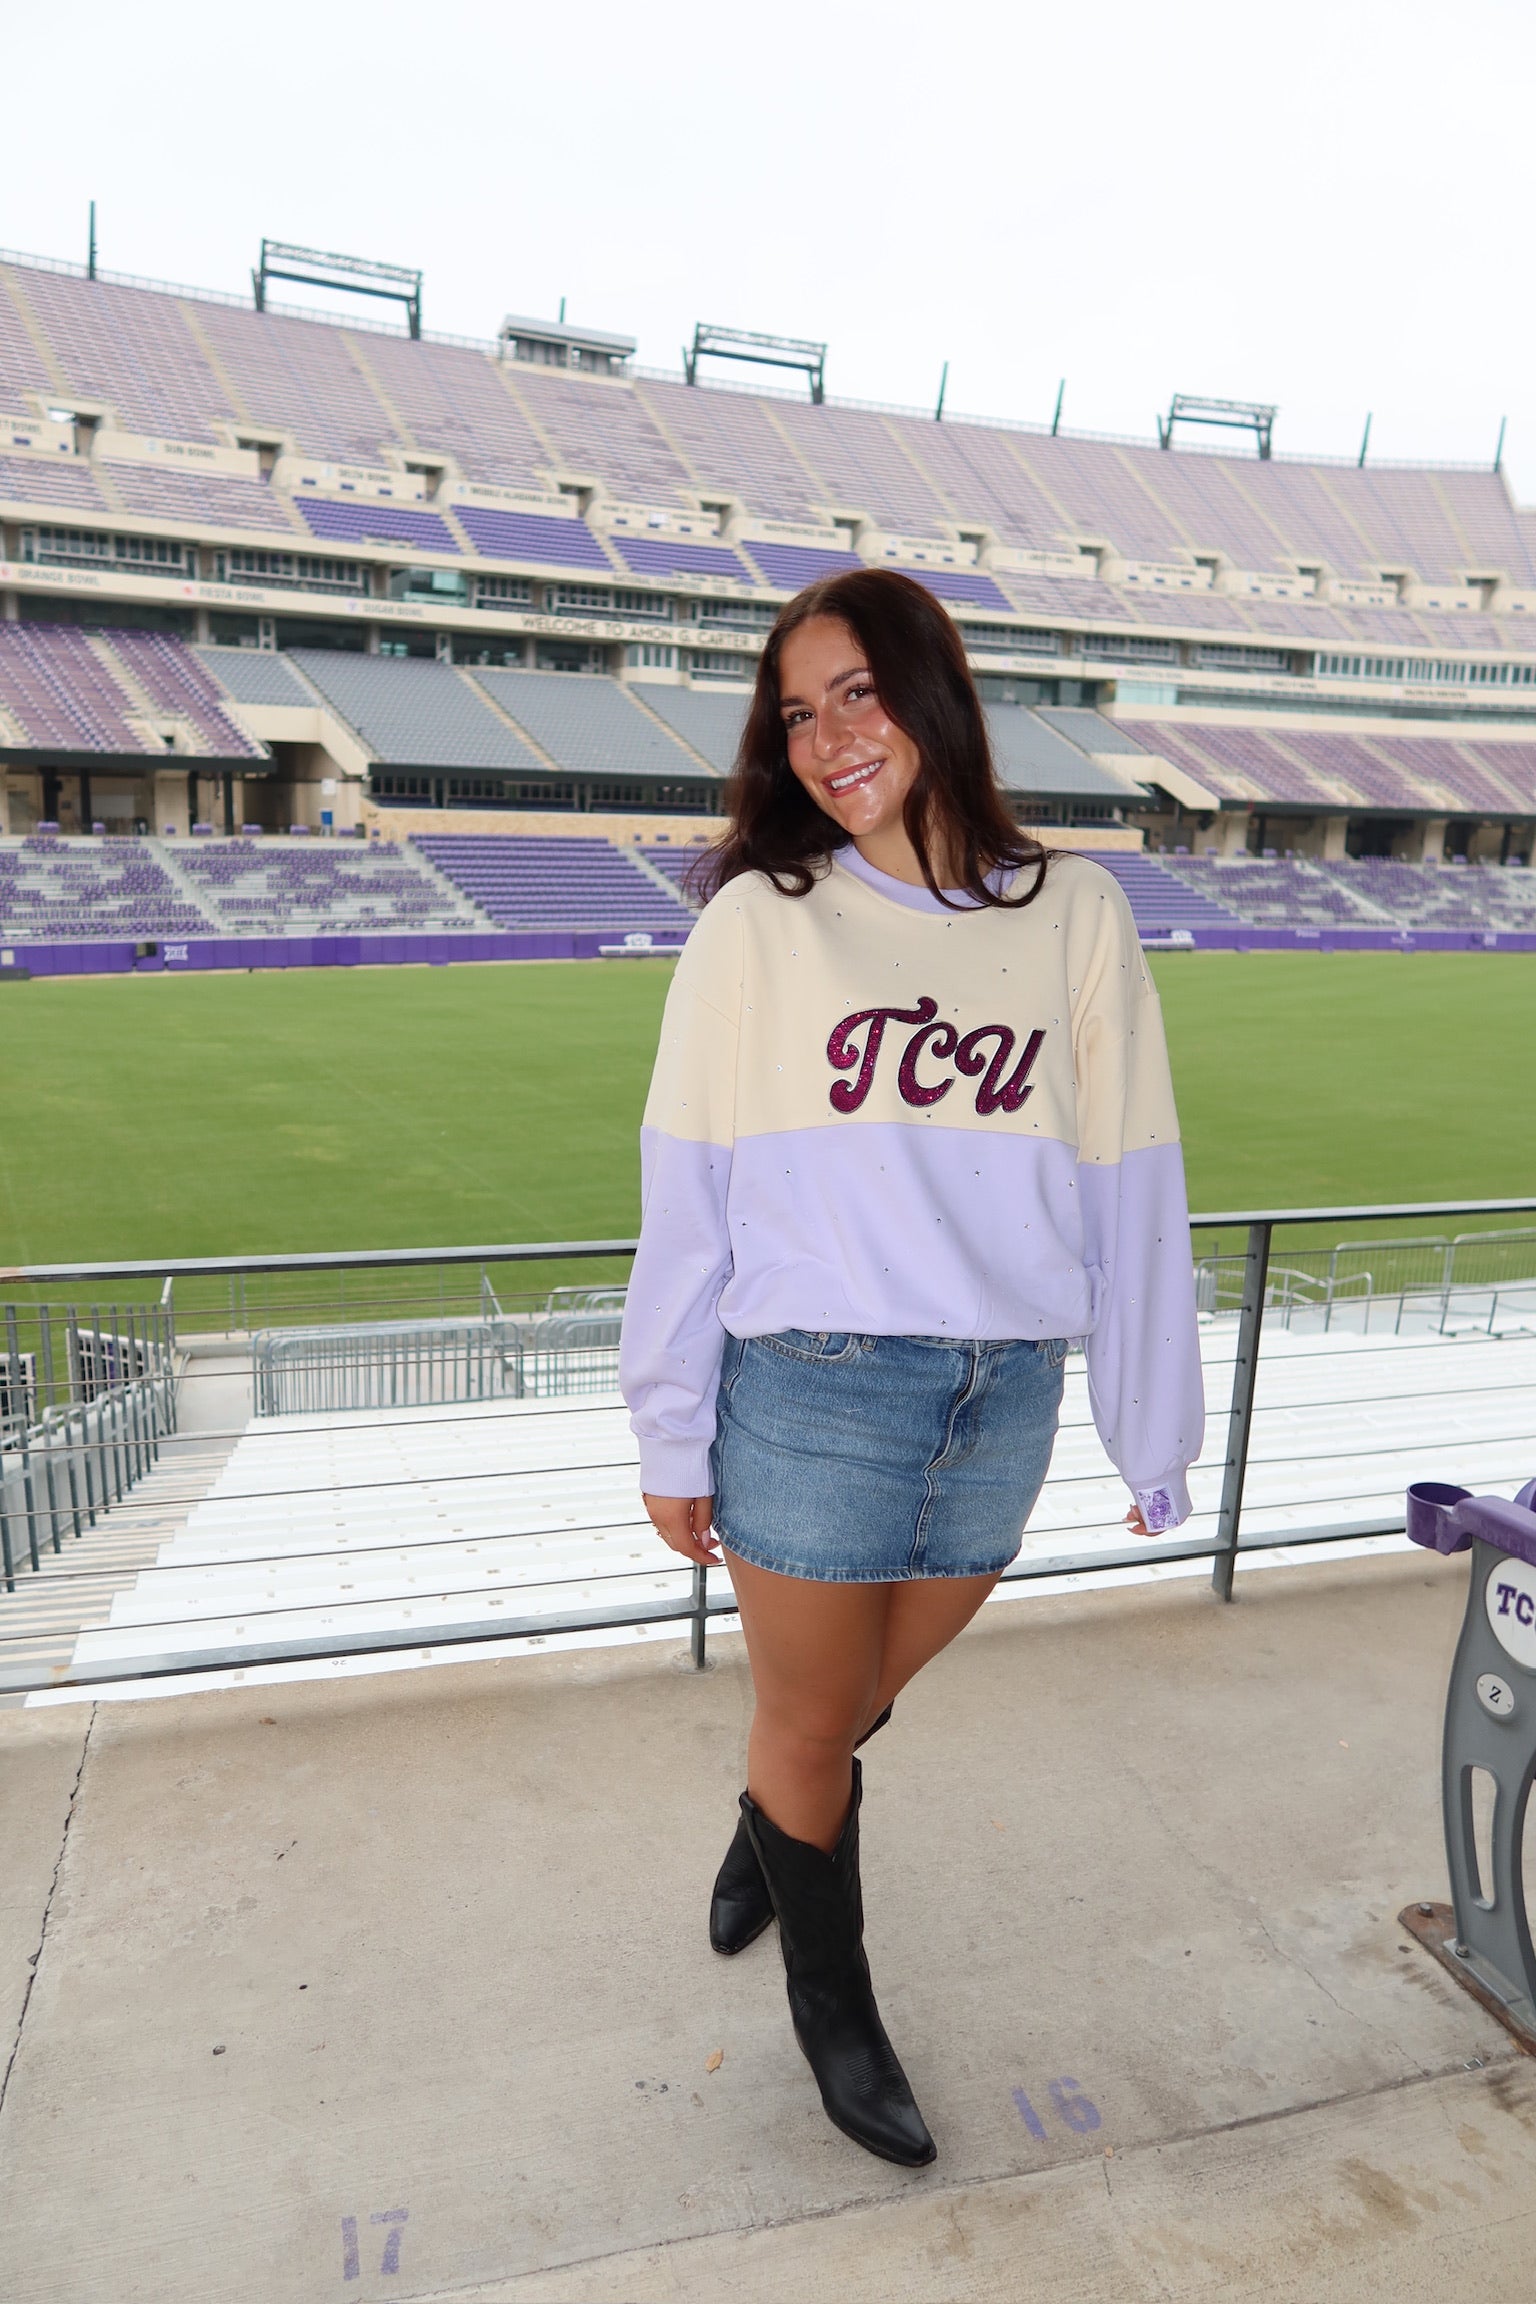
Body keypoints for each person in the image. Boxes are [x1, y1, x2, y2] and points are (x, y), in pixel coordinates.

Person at [618, 568, 1203, 2168]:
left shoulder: (1075, 914)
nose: (827, 739)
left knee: (845, 1702)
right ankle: (839, 2009)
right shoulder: (761, 923)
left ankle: (773, 1821)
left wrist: (1150, 1424)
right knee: (816, 1719)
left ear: (932, 691)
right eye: (797, 714)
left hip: (1001, 1398)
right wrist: (671, 1428)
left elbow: (1134, 1179)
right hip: (812, 1390)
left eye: (857, 693)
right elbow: (688, 1192)